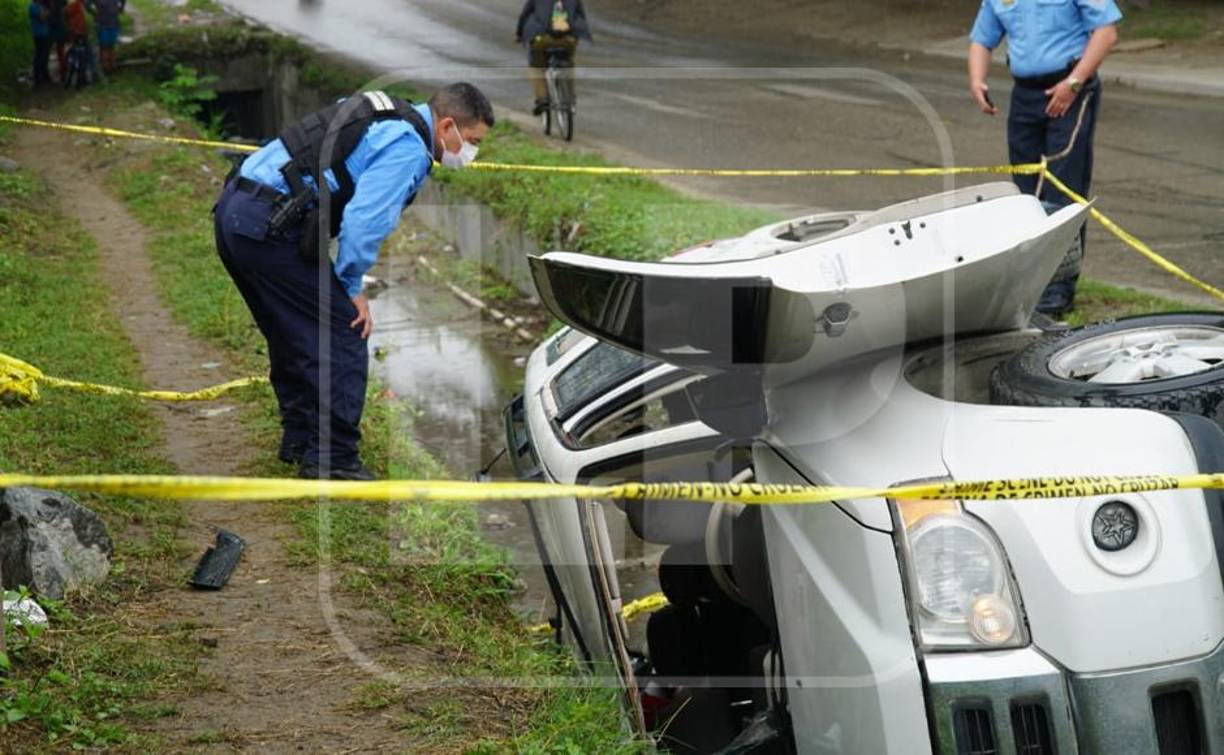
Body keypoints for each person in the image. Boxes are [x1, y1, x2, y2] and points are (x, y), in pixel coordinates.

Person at [213, 84, 494, 480]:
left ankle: (301, 441)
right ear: (447, 126)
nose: (471, 153)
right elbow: (364, 222)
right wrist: (351, 286)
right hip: (268, 226)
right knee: (345, 331)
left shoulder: (382, 110)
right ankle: (334, 458)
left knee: (292, 330)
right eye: (472, 141)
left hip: (237, 212)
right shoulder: (408, 148)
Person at [968, 0, 1121, 316]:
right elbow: (982, 39)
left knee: (1062, 190)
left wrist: (1073, 83)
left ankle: (1058, 290)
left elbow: (1106, 33)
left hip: (1070, 89)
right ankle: (1032, 283)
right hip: (1025, 94)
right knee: (1025, 194)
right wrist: (976, 79)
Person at [515, 0, 591, 115]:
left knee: (536, 66)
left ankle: (542, 99)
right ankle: (570, 99)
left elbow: (525, 15)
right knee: (569, 62)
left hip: (543, 38)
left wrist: (519, 34)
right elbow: (581, 15)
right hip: (568, 39)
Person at [86, 0, 124, 75]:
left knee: (112, 46)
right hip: (102, 24)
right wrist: (94, 13)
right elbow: (87, 4)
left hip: (114, 22)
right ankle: (106, 68)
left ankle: (112, 66)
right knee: (104, 47)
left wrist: (120, 8)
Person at [29, 1, 52, 87]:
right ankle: (37, 78)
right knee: (39, 56)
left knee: (45, 56)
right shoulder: (33, 7)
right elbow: (42, 18)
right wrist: (48, 11)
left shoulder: (40, 6)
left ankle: (44, 76)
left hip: (44, 33)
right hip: (38, 34)